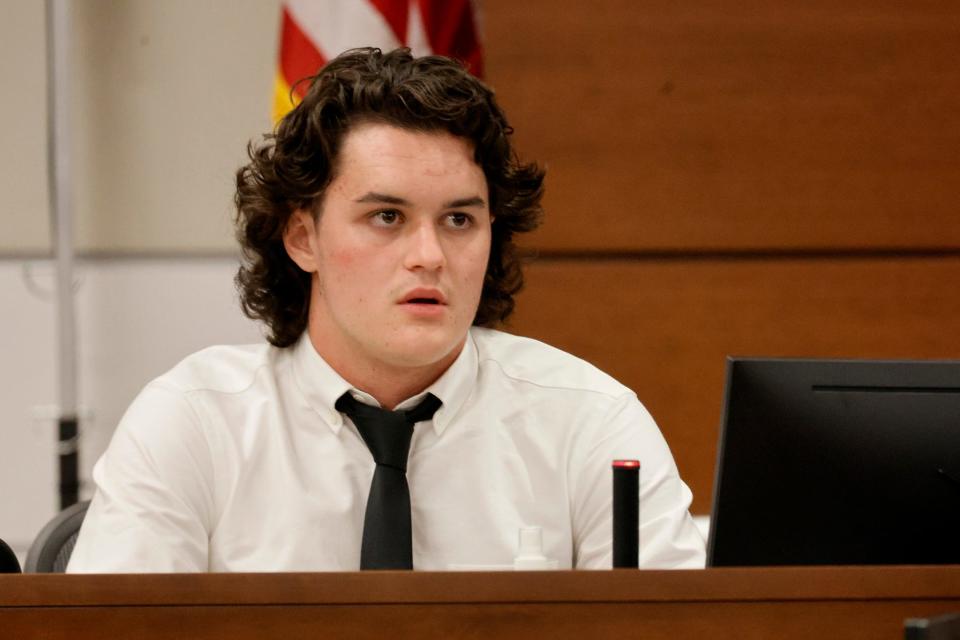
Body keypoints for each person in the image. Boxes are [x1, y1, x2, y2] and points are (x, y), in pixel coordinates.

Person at [68, 48, 704, 572]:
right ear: (302, 237)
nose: (429, 256)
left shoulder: (590, 424)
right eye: (387, 217)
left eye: (459, 219)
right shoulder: (194, 426)